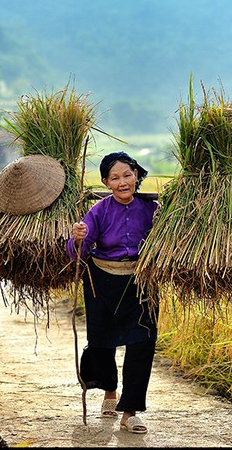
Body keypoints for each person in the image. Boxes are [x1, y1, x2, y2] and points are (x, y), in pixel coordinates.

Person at [66, 151, 159, 434]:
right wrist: (77, 238)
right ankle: (109, 390)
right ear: (106, 183)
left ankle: (129, 412)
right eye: (115, 178)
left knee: (142, 343)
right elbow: (78, 253)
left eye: (127, 175)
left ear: (136, 176)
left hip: (141, 283)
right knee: (102, 342)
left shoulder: (151, 208)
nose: (123, 182)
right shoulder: (99, 211)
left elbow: (167, 242)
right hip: (102, 283)